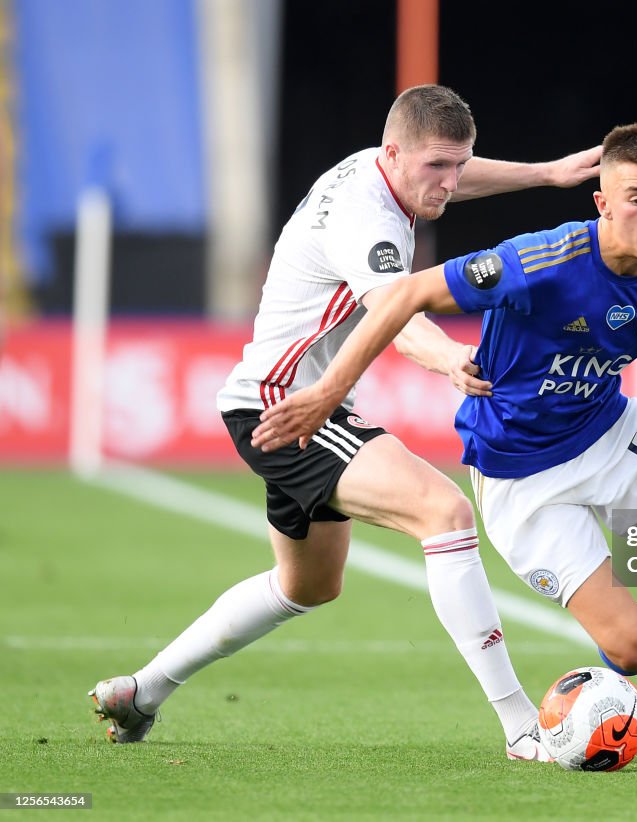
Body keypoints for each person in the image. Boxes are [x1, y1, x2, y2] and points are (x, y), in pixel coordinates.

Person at [252, 123, 637, 769]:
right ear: (601, 203)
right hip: (520, 474)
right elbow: (407, 295)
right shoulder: (538, 263)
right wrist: (328, 390)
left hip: (610, 431)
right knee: (626, 650)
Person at [89, 84, 603, 761]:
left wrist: (545, 173)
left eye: (459, 166)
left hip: (285, 399)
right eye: (436, 170)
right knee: (444, 514)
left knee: (307, 586)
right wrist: (450, 358)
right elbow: (396, 315)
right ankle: (519, 727)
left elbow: (447, 168)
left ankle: (140, 692)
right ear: (396, 154)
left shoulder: (385, 163)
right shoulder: (367, 220)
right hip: (285, 405)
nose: (449, 185)